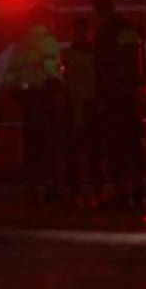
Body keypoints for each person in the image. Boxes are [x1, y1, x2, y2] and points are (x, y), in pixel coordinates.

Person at [93, 0, 146, 208]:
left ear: (98, 10)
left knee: (116, 144)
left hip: (114, 95)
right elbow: (142, 60)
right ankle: (139, 190)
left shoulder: (105, 32)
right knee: (134, 144)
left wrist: (100, 95)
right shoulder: (130, 29)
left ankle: (120, 192)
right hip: (133, 94)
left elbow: (101, 65)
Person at [2, 6, 62, 201]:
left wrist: (15, 93)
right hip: (45, 96)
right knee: (48, 142)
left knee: (32, 142)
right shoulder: (48, 41)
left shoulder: (22, 43)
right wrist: (59, 89)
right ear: (45, 19)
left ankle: (31, 184)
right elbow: (51, 68)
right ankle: (50, 184)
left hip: (27, 99)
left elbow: (11, 72)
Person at [62, 16, 104, 204]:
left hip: (79, 107)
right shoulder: (95, 55)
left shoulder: (67, 56)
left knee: (78, 153)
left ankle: (78, 190)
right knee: (88, 153)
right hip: (86, 107)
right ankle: (94, 189)